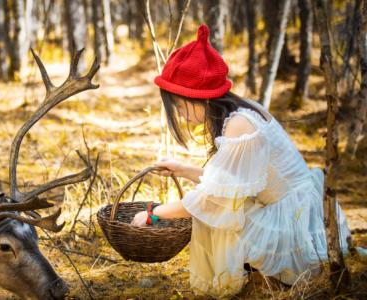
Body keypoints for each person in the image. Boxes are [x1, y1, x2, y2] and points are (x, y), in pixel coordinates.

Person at [130, 24, 353, 297]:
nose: (181, 116)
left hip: (291, 222)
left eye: (179, 106)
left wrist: (153, 214)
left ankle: (261, 278)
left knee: (218, 218)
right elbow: (230, 185)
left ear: (196, 97)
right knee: (224, 210)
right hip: (293, 207)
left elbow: (212, 199)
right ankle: (260, 276)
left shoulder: (240, 126)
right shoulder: (242, 108)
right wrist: (183, 170)